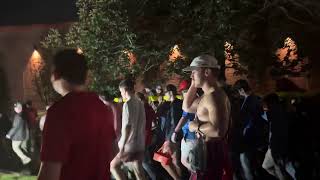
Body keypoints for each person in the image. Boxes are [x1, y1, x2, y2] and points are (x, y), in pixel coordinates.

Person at [38, 49, 115, 180]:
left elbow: (49, 173)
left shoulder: (59, 112)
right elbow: (113, 149)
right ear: (85, 77)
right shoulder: (101, 107)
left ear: (55, 75)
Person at [183, 54, 232, 180]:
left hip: (212, 150)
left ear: (206, 72)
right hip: (207, 149)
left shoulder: (214, 97)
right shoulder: (207, 96)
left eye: (194, 72)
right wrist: (194, 84)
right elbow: (187, 107)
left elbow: (218, 131)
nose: (191, 76)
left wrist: (196, 126)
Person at [110, 79, 146, 180]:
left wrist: (122, 146)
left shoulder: (128, 104)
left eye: (121, 92)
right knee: (139, 171)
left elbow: (128, 127)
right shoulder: (140, 103)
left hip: (130, 145)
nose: (121, 94)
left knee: (113, 166)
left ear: (125, 90)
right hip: (140, 142)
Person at [233, 79, 267, 180]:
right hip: (252, 136)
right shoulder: (254, 98)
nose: (239, 94)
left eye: (239, 91)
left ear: (242, 89)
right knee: (250, 162)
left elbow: (252, 118)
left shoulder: (251, 100)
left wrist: (245, 129)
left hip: (250, 137)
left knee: (245, 160)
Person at [158, 84, 185, 180]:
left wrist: (168, 139)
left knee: (164, 161)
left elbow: (174, 123)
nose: (165, 95)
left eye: (165, 92)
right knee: (175, 161)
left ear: (169, 92)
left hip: (172, 137)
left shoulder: (174, 105)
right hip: (176, 136)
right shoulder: (178, 103)